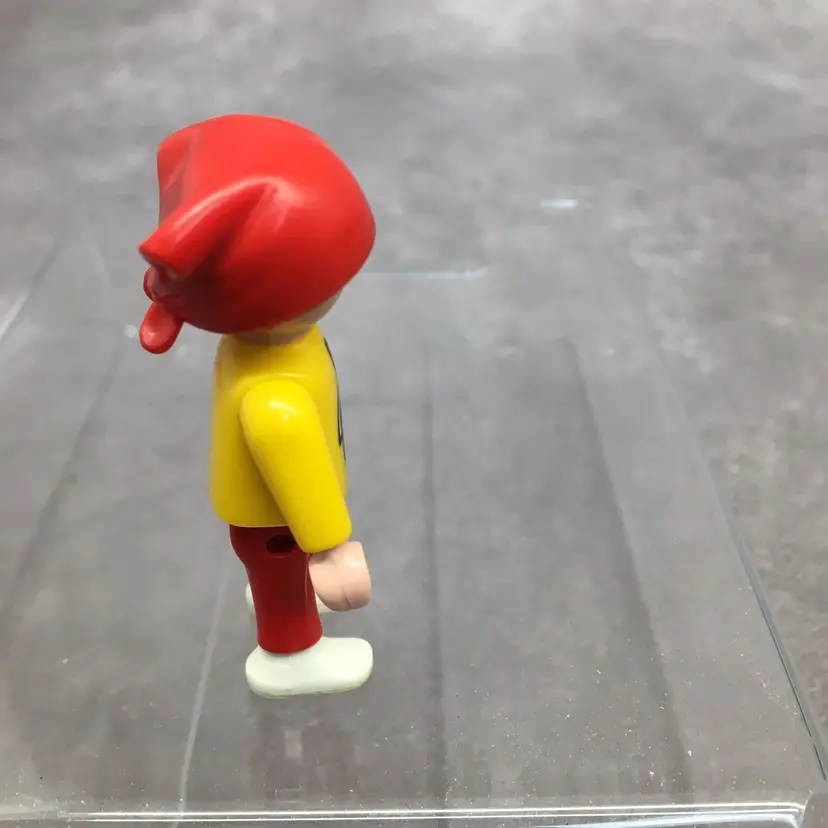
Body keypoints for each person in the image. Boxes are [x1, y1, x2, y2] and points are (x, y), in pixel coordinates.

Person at [138, 114, 375, 697]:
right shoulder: (273, 394)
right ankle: (290, 655)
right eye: (330, 281)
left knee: (277, 576)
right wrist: (330, 546)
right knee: (281, 591)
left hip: (270, 516)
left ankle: (286, 596)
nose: (342, 285)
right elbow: (288, 452)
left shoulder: (264, 345)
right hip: (277, 519)